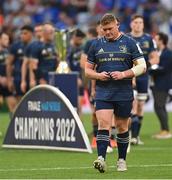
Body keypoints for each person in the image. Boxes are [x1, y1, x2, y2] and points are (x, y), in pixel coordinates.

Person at [85, 13, 146, 172]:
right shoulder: (96, 45)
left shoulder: (130, 43)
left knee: (121, 126)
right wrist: (98, 75)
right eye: (104, 29)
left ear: (117, 25)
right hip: (103, 91)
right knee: (103, 124)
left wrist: (124, 74)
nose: (107, 32)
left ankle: (121, 160)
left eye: (110, 28)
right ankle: (101, 158)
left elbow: (142, 66)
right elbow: (87, 71)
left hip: (123, 92)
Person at [128, 14, 159, 145]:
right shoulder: (126, 38)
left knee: (140, 106)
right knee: (132, 105)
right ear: (131, 24)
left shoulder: (149, 39)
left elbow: (155, 57)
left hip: (143, 77)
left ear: (143, 24)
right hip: (129, 76)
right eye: (135, 22)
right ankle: (126, 133)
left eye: (140, 22)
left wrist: (146, 66)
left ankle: (135, 136)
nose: (138, 24)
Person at [6, 25, 33, 112]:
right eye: (21, 33)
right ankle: (15, 123)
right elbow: (9, 64)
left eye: (25, 33)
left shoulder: (35, 45)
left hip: (31, 78)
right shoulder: (15, 46)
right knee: (20, 104)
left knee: (33, 104)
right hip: (18, 78)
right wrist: (9, 80)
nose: (22, 35)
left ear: (31, 34)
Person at [150, 32, 172, 139]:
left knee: (159, 107)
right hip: (157, 83)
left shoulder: (168, 53)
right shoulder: (159, 52)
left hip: (163, 84)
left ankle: (166, 130)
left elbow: (164, 69)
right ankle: (164, 129)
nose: (155, 41)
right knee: (160, 106)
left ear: (161, 41)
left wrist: (151, 69)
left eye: (156, 39)